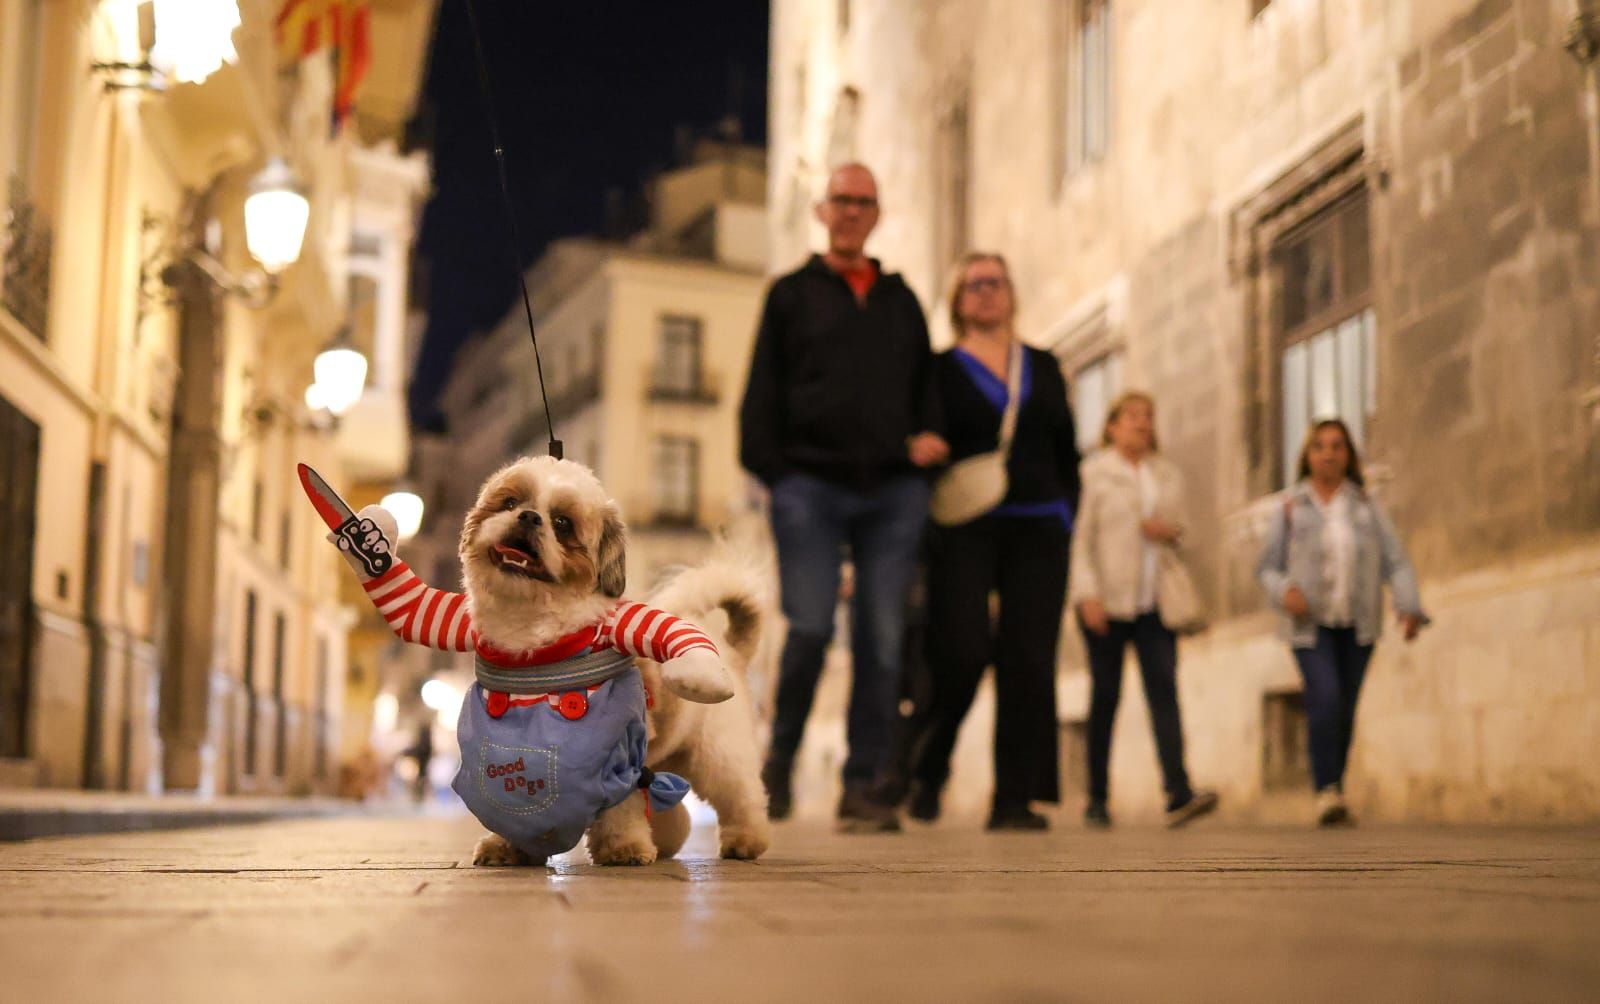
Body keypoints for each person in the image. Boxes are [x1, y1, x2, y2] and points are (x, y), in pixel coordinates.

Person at [739, 163, 948, 833]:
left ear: (877, 214)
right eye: (842, 201)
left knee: (882, 639)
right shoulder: (790, 295)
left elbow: (926, 387)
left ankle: (863, 786)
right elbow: (759, 397)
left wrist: (930, 440)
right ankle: (778, 765)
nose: (853, 211)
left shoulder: (900, 300)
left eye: (865, 201)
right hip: (809, 487)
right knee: (809, 628)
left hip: (892, 492)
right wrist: (778, 474)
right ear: (823, 212)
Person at [904, 252, 1080, 831]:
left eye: (995, 283)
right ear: (957, 301)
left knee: (1030, 657)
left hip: (1039, 522)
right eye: (973, 285)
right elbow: (923, 438)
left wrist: (1067, 516)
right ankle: (927, 767)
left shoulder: (1045, 364)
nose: (985, 293)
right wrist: (921, 446)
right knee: (963, 651)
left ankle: (1014, 799)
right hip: (965, 523)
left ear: (1011, 294)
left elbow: (1065, 448)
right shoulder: (938, 369)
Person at [1256, 418, 1427, 826]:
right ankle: (1325, 790)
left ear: (1348, 454)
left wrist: (1408, 605)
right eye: (1319, 446)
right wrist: (1285, 592)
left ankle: (1334, 786)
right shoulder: (1289, 507)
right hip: (1308, 626)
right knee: (1326, 697)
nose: (1328, 454)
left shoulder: (1366, 507)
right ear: (1307, 455)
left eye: (1337, 446)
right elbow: (1266, 568)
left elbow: (1396, 560)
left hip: (1358, 624)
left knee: (1345, 708)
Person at [1069, 392, 1218, 829]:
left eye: (1148, 416)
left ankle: (1178, 792)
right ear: (1111, 425)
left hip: (1155, 603)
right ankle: (1096, 797)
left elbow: (1189, 531)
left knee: (1164, 694)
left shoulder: (1166, 474)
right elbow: (1079, 541)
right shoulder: (1094, 474)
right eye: (1131, 416)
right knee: (1105, 698)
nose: (1141, 423)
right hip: (1107, 602)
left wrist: (1169, 531)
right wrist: (1086, 595)